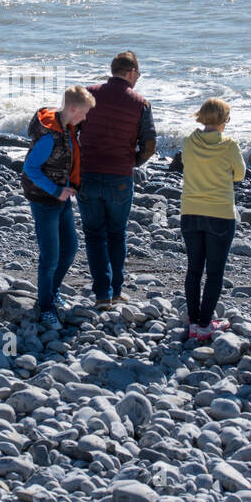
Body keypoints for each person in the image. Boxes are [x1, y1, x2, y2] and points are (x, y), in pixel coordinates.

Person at [76, 50, 156, 311]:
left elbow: (69, 128)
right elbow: (150, 144)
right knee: (116, 234)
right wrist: (133, 161)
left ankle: (101, 293)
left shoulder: (89, 93)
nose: (138, 79)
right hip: (119, 176)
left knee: (94, 234)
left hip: (87, 172)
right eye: (138, 74)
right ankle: (116, 291)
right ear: (132, 72)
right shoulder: (140, 103)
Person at [21, 85, 96, 331]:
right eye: (84, 113)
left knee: (70, 248)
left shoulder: (68, 127)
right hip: (45, 202)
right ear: (73, 109)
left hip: (62, 199)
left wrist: (66, 189)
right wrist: (56, 190)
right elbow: (30, 169)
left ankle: (51, 293)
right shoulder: (49, 136)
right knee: (50, 256)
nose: (86, 118)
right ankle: (45, 308)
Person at [178, 98, 246, 342]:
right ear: (225, 121)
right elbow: (239, 174)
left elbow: (186, 164)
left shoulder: (188, 141)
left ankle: (194, 320)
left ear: (200, 116)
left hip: (191, 211)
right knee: (214, 272)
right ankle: (205, 324)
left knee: (194, 269)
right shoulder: (229, 145)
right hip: (220, 213)